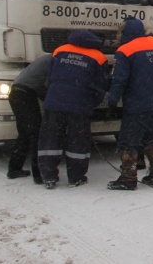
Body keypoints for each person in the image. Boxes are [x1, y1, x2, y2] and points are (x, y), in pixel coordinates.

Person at [37, 29, 109, 189]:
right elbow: (100, 86)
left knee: (51, 139)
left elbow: (49, 77)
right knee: (78, 142)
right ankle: (75, 177)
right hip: (80, 105)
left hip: (54, 102)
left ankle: (48, 176)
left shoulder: (60, 50)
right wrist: (92, 104)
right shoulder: (98, 57)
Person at [107, 18, 153, 191]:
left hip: (137, 103)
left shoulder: (125, 50)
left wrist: (112, 100)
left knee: (128, 141)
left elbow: (120, 79)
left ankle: (128, 178)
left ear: (126, 33)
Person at [7, 54, 52, 184]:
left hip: (17, 92)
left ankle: (14, 168)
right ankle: (39, 174)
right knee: (36, 133)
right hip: (25, 94)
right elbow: (48, 84)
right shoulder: (54, 61)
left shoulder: (46, 58)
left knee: (25, 133)